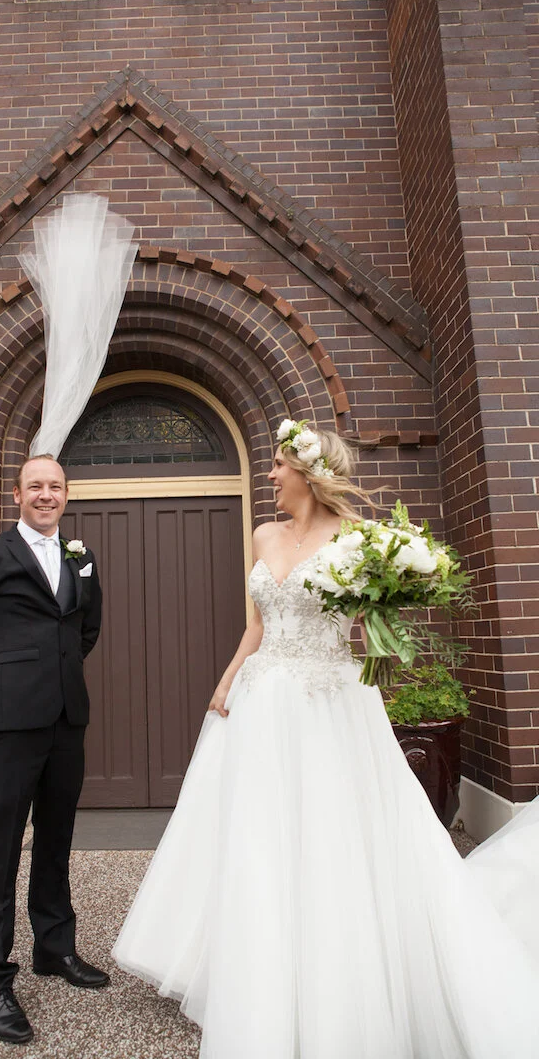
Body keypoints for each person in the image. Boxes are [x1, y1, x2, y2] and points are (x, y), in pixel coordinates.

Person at [112, 420, 539, 1059]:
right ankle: (258, 976)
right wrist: (225, 683)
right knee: (259, 834)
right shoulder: (262, 534)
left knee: (336, 830)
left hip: (331, 699)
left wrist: (394, 604)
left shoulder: (360, 539)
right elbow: (256, 625)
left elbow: (373, 619)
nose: (272, 476)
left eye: (280, 466)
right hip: (263, 698)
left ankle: (339, 976)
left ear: (309, 474)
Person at [0, 454, 107, 1045]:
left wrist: (56, 676)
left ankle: (54, 948)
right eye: (35, 486)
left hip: (67, 719)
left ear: (68, 494)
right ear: (16, 494)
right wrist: (2, 681)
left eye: (55, 486)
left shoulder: (82, 556)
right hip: (9, 722)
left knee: (57, 838)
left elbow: (86, 629)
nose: (46, 495)